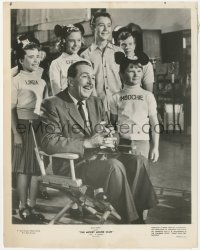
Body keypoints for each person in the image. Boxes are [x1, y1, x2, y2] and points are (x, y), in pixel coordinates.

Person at [40, 60, 158, 224]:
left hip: (102, 157)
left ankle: (137, 213)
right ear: (71, 80)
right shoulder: (53, 104)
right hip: (75, 164)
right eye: (84, 77)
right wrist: (87, 143)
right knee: (114, 167)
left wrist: (111, 137)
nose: (90, 82)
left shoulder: (95, 102)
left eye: (93, 78)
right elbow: (48, 142)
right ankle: (131, 221)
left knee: (138, 161)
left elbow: (109, 128)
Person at [11, 42, 46, 223]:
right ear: (20, 60)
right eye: (30, 57)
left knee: (37, 169)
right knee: (23, 169)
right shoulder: (15, 80)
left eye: (37, 56)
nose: (35, 60)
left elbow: (44, 106)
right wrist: (16, 134)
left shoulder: (42, 81)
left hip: (38, 125)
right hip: (22, 125)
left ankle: (32, 205)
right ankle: (22, 206)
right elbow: (9, 109)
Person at [110, 51, 159, 162]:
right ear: (121, 74)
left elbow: (154, 123)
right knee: (123, 173)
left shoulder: (148, 96)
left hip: (142, 142)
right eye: (131, 70)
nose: (136, 74)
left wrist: (155, 147)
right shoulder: (115, 97)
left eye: (139, 70)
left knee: (140, 172)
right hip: (122, 142)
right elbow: (112, 123)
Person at [80, 12, 123, 115]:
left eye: (108, 25)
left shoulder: (119, 52)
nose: (106, 29)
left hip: (120, 107)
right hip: (97, 109)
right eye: (101, 25)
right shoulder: (84, 56)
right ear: (92, 27)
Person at [113, 23, 154, 92]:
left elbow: (148, 92)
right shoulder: (113, 64)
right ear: (117, 46)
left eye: (130, 44)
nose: (127, 47)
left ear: (134, 45)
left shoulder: (146, 65)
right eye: (123, 44)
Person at [49, 23, 85, 95]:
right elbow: (56, 92)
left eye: (78, 40)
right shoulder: (56, 63)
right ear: (64, 41)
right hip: (65, 103)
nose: (76, 44)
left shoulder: (85, 62)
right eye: (72, 41)